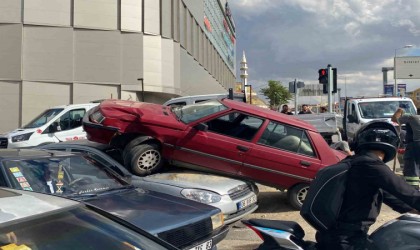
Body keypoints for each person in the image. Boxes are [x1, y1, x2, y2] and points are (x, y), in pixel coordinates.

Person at [315, 121, 420, 250]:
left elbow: (390, 195)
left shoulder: (356, 162)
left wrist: (412, 210)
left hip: (335, 236)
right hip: (348, 240)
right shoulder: (371, 165)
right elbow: (408, 193)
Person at [391, 107, 420, 190]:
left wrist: (399, 111)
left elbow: (394, 119)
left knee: (412, 169)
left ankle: (413, 192)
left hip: (415, 145)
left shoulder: (412, 117)